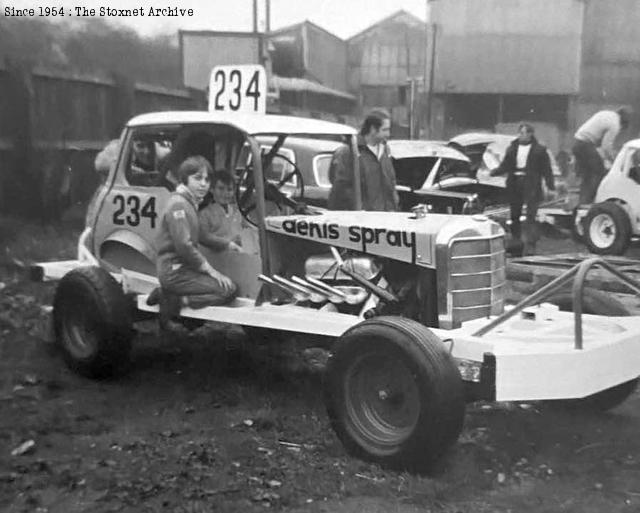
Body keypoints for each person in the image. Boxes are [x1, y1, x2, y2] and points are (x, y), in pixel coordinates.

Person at [149, 156, 237, 327]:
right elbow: (184, 245)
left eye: (206, 179)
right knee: (228, 289)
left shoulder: (189, 203)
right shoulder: (179, 205)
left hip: (184, 269)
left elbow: (202, 236)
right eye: (197, 178)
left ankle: (170, 296)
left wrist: (227, 244)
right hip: (174, 272)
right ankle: (175, 300)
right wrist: (210, 270)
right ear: (184, 179)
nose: (203, 184)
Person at [491, 123, 554, 254]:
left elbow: (546, 170)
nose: (522, 135)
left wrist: (550, 186)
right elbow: (506, 165)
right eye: (520, 133)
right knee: (514, 214)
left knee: (531, 215)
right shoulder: (512, 148)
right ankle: (516, 242)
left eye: (525, 133)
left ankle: (531, 244)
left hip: (531, 183)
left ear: (531, 134)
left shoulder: (539, 150)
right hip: (515, 182)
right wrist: (494, 172)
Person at [328, 111, 398, 211]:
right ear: (373, 129)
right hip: (361, 219)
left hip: (385, 218)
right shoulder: (349, 152)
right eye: (385, 130)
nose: (389, 134)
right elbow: (340, 190)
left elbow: (391, 183)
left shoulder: (385, 151)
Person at [573, 108, 631, 203]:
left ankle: (582, 200)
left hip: (577, 143)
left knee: (587, 175)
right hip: (585, 145)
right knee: (599, 172)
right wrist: (614, 160)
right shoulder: (615, 125)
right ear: (623, 123)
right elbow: (606, 146)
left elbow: (599, 143)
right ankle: (589, 200)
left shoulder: (606, 113)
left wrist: (604, 157)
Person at [199, 170, 243, 252]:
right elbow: (203, 236)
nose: (225, 193)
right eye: (221, 188)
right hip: (216, 257)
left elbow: (247, 230)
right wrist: (227, 244)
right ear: (211, 189)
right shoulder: (205, 214)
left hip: (237, 256)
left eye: (229, 190)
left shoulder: (237, 212)